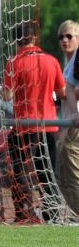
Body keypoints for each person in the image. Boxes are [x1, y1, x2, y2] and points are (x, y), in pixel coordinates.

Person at [1, 21, 65, 223]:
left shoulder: (14, 62)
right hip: (48, 125)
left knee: (19, 171)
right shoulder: (52, 60)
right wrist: (48, 97)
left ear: (15, 40)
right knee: (47, 172)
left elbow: (8, 95)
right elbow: (62, 93)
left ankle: (24, 213)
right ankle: (52, 214)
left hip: (24, 126)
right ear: (35, 37)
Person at [56, 20, 79, 215]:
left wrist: (55, 93)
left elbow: (70, 91)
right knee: (64, 175)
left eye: (69, 36)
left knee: (73, 173)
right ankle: (72, 214)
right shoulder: (66, 65)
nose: (65, 40)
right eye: (61, 37)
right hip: (68, 123)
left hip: (75, 124)